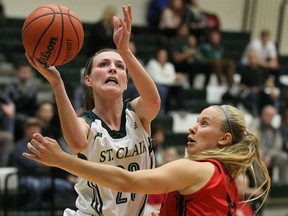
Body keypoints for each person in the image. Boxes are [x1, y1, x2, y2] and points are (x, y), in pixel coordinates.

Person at [25, 5, 161, 216]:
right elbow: (77, 142)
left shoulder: (137, 113)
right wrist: (57, 83)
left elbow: (153, 101)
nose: (113, 68)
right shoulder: (87, 123)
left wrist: (125, 50)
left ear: (126, 82)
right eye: (103, 65)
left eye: (119, 66)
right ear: (88, 80)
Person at [23, 104, 271, 215]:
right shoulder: (227, 175)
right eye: (196, 121)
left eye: (204, 123)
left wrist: (61, 159)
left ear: (224, 139)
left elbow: (125, 181)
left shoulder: (198, 169)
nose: (192, 128)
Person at [12, 117, 75, 209]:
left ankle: (53, 208)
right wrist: (47, 161)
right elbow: (29, 163)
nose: (34, 130)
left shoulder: (44, 144)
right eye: (30, 127)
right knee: (35, 186)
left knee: (65, 186)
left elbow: (54, 161)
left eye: (36, 127)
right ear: (25, 130)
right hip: (27, 176)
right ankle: (34, 210)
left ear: (40, 129)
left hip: (45, 177)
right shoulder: (19, 146)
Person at [250, 105, 288, 184]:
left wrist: (270, 155)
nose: (268, 118)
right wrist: (259, 152)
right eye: (266, 115)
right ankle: (262, 189)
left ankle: (283, 186)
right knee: (256, 161)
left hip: (271, 156)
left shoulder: (275, 127)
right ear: (262, 114)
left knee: (284, 157)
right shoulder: (256, 123)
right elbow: (251, 139)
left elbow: (278, 145)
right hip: (257, 154)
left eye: (271, 116)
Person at [3, 60, 38, 142]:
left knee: (33, 123)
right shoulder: (10, 88)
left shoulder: (33, 89)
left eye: (27, 71)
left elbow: (34, 108)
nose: (25, 74)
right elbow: (7, 104)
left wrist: (32, 118)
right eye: (23, 71)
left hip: (27, 117)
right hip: (12, 117)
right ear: (17, 72)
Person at [146, 47, 187, 114]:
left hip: (169, 86)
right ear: (157, 55)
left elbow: (173, 78)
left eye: (164, 55)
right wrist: (172, 79)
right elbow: (156, 79)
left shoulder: (169, 65)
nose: (162, 57)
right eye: (161, 55)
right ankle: (162, 111)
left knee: (179, 88)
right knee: (163, 89)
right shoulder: (152, 64)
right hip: (156, 87)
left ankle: (182, 108)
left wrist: (177, 78)